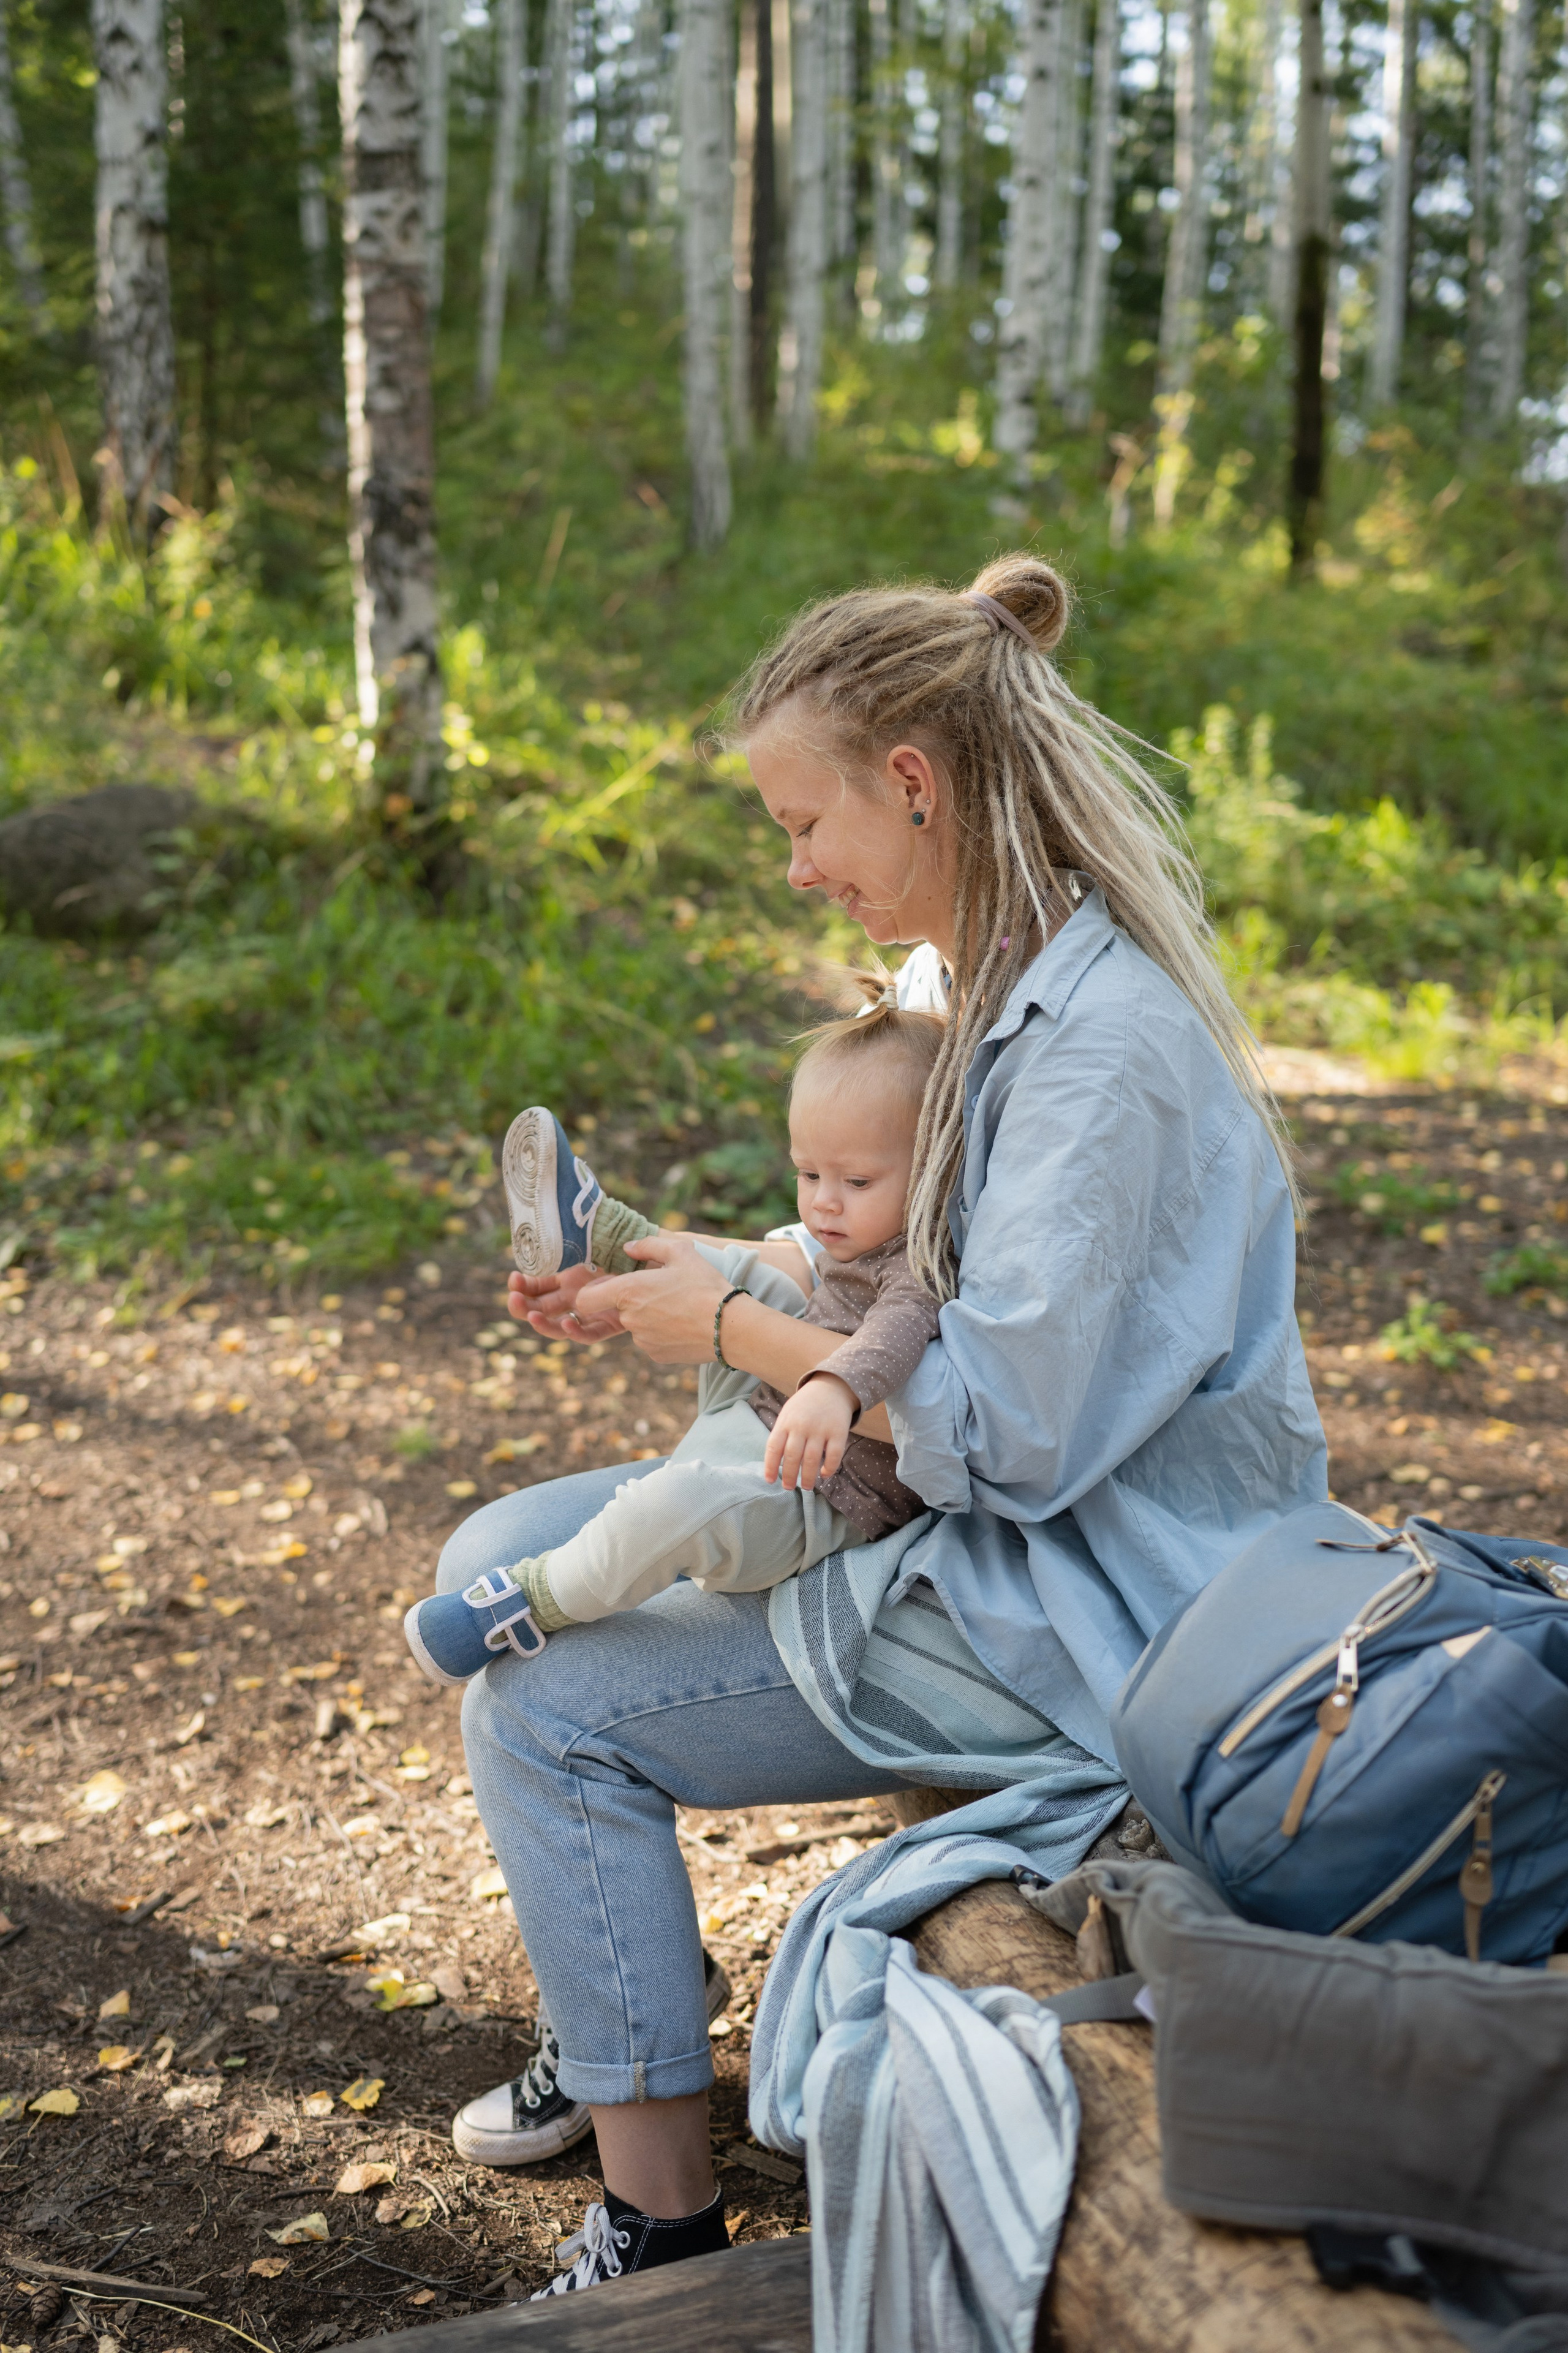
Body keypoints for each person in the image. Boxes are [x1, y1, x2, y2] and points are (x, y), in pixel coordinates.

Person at [435, 554, 1327, 2300]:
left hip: (1094, 1607)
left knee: (538, 1705)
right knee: (492, 1555)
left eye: (802, 822)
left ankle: (661, 2219)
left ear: (913, 783)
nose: (795, 865)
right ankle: (610, 1997)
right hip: (957, 1524)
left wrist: (734, 1327)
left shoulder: (1102, 1050)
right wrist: (684, 1273)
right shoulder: (980, 983)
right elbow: (906, 1275)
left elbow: (1006, 1429)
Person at [402, 991, 944, 1685]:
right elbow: (787, 1267)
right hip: (765, 1416)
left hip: (816, 1496)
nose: (823, 1202)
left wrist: (833, 1387)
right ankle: (605, 1232)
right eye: (807, 1174)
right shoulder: (859, 1230)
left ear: (932, 1170)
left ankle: (528, 1600)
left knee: (677, 1505)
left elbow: (895, 1335)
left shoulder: (921, 1264)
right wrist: (643, 1294)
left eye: (855, 1179)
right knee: (763, 1281)